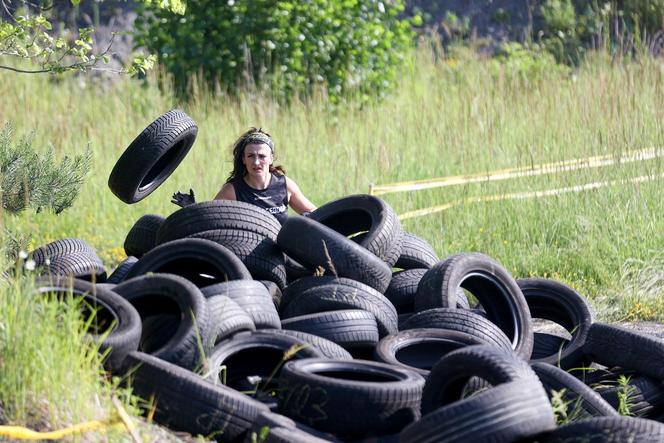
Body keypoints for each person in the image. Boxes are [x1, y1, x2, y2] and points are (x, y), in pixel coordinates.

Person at [172, 127, 316, 224]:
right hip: (248, 258)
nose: (256, 162)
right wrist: (192, 209)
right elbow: (210, 221)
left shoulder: (285, 185)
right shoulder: (233, 190)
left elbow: (314, 214)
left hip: (283, 253)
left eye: (262, 156)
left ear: (271, 158)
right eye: (251, 156)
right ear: (243, 159)